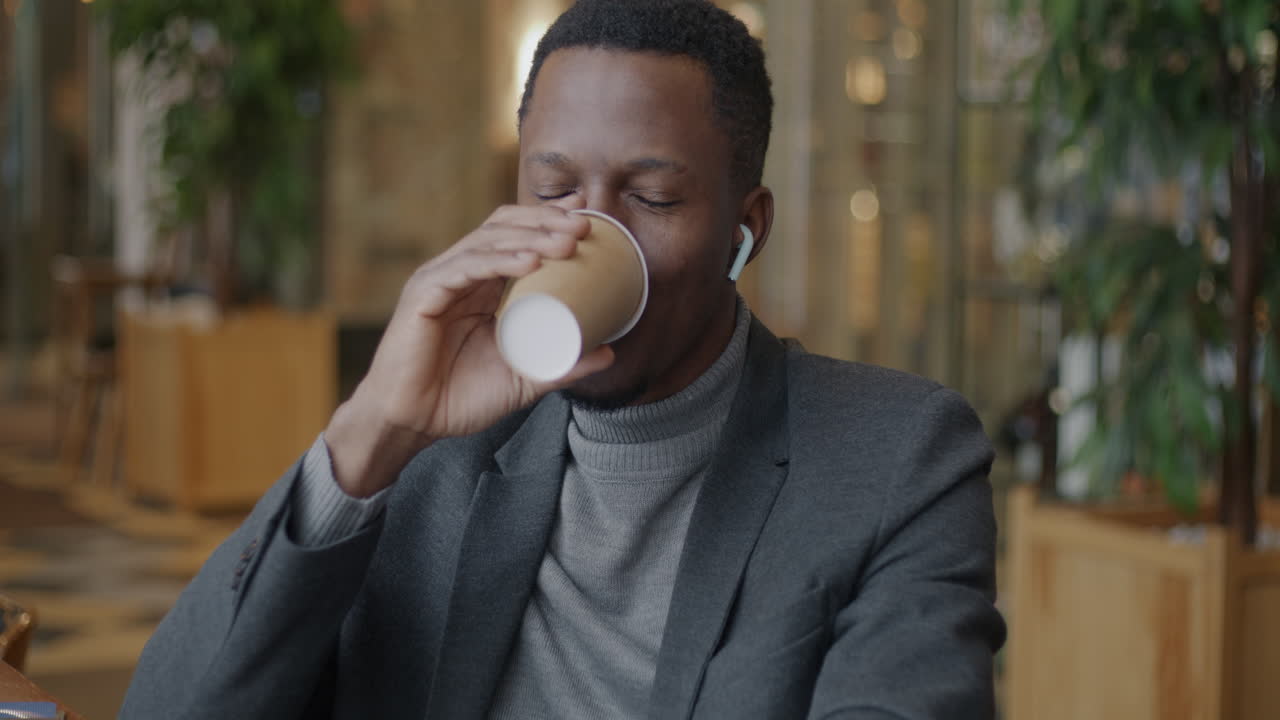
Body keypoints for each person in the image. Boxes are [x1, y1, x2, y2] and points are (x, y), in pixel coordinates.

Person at [121, 1, 1005, 717]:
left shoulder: (896, 457)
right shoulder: (431, 446)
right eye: (552, 193)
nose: (585, 233)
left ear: (747, 227)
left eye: (652, 197)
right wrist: (368, 437)